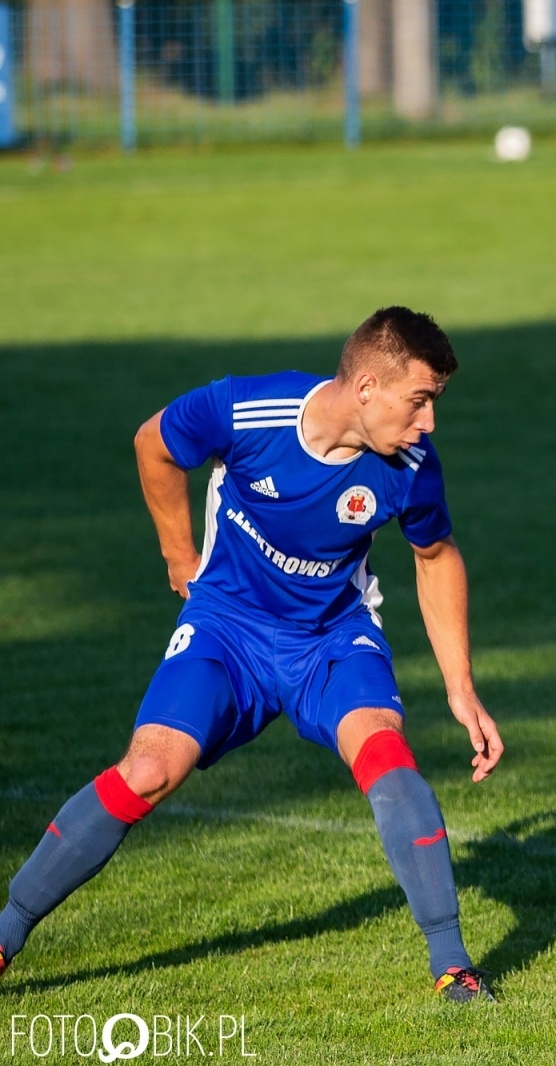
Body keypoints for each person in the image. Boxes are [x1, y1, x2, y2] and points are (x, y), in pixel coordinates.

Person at [0, 307, 504, 1001]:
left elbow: (436, 554)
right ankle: (6, 932)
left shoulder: (410, 468)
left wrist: (460, 685)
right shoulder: (247, 408)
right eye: (419, 401)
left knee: (387, 752)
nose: (428, 424)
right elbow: (155, 442)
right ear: (365, 389)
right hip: (227, 629)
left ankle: (453, 966)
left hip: (330, 638)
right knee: (149, 768)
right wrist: (179, 555)